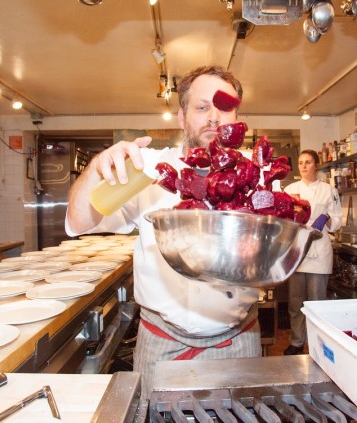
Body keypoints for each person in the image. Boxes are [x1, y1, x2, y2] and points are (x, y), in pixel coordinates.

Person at [66, 65, 261, 399]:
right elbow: (78, 222)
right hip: (162, 343)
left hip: (238, 341)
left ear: (237, 117)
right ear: (182, 117)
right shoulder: (149, 168)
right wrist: (97, 168)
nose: (214, 117)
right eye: (202, 107)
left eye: (224, 107)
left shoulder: (256, 173)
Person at [282, 149, 341, 355]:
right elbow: (284, 217)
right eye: (301, 162)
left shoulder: (329, 190)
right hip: (297, 249)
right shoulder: (290, 189)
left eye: (308, 162)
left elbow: (337, 220)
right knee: (295, 300)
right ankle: (297, 342)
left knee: (317, 301)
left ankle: (317, 343)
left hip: (319, 248)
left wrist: (326, 219)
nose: (304, 166)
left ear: (316, 165)